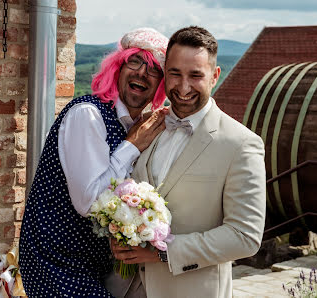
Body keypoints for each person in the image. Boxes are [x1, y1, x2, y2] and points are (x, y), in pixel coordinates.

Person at [112, 26, 266, 298]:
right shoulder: (147, 126)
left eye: (196, 75)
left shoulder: (241, 144)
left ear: (215, 76)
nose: (183, 87)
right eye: (175, 73)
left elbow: (245, 236)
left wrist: (161, 253)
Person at [19, 28, 169, 297]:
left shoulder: (134, 126)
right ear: (117, 68)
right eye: (134, 61)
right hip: (56, 266)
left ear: (160, 84)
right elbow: (89, 202)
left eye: (154, 68)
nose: (142, 73)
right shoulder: (88, 115)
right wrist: (132, 145)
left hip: (91, 267)